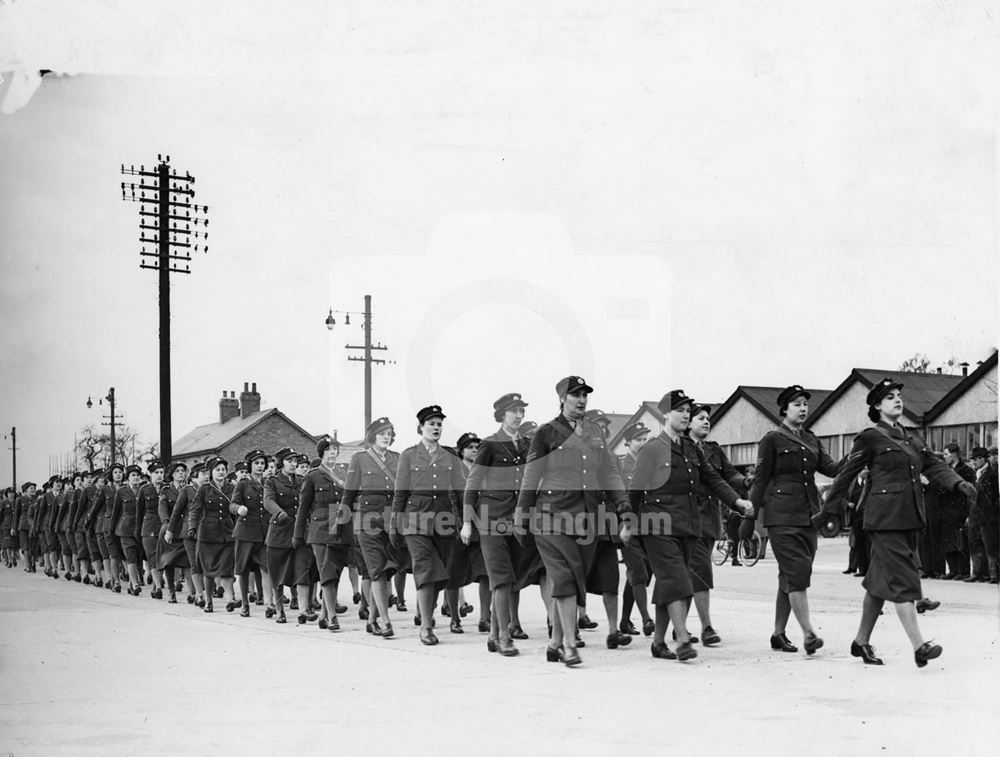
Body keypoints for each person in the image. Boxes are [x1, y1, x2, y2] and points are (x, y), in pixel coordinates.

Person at [822, 377, 977, 667]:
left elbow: (932, 464)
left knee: (879, 585)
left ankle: (860, 642)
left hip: (909, 518)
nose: (897, 400)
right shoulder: (869, 436)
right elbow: (845, 475)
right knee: (905, 579)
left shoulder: (910, 437)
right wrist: (829, 510)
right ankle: (919, 646)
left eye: (898, 395)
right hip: (883, 520)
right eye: (889, 396)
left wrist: (958, 484)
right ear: (877, 406)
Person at [515, 376, 634, 666]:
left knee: (573, 577)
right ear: (562, 398)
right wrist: (521, 515)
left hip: (586, 519)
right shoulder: (546, 433)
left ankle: (555, 642)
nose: (581, 399)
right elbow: (531, 476)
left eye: (584, 395)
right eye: (575, 395)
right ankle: (569, 644)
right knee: (565, 576)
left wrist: (623, 506)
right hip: (551, 516)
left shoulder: (594, 432)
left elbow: (608, 472)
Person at [629, 390, 752, 662]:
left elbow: (713, 480)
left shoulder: (692, 449)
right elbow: (635, 490)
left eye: (688, 410)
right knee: (677, 579)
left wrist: (737, 502)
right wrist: (627, 523)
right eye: (680, 410)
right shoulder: (651, 449)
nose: (686, 415)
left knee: (669, 584)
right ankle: (683, 637)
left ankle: (659, 642)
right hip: (657, 525)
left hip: (688, 526)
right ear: (665, 414)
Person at [750, 385, 840, 656]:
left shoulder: (812, 439)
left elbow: (832, 469)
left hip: (808, 515)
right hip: (781, 517)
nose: (803, 409)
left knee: (789, 576)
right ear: (784, 409)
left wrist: (858, 455)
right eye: (797, 404)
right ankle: (809, 633)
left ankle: (778, 633)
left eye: (805, 404)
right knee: (797, 573)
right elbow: (760, 481)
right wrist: (749, 516)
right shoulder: (772, 439)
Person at [462, 393, 531, 656]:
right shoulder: (489, 445)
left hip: (517, 522)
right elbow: (472, 485)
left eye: (521, 411)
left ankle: (493, 635)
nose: (519, 416)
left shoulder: (526, 444)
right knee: (501, 579)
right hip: (491, 521)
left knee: (511, 579)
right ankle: (503, 637)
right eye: (514, 411)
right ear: (502, 415)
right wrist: (467, 523)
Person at [391, 405, 464, 646]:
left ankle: (426, 614)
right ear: (421, 427)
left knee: (440, 574)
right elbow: (400, 494)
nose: (436, 428)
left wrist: (466, 522)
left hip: (444, 523)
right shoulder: (408, 455)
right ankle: (426, 627)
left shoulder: (450, 455)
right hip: (415, 522)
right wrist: (395, 526)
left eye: (439, 424)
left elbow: (460, 492)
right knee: (425, 570)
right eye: (431, 424)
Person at [687, 404, 745, 646]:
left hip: (710, 519)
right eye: (700, 418)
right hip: (688, 520)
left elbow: (729, 475)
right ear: (688, 422)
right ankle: (706, 627)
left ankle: (676, 625)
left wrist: (747, 480)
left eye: (708, 418)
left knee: (691, 574)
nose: (706, 422)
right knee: (700, 571)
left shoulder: (713, 450)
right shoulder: (681, 449)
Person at [342, 418, 400, 638]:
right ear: (373, 436)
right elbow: (349, 493)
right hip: (366, 522)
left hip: (391, 522)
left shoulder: (398, 458)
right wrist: (342, 523)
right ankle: (385, 621)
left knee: (386, 573)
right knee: (377, 571)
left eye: (389, 433)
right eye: (382, 433)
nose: (386, 437)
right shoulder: (360, 458)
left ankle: (372, 618)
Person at [296, 438, 351, 631]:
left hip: (342, 529)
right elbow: (303, 509)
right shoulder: (313, 476)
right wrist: (297, 534)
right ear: (321, 453)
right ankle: (332, 618)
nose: (333, 453)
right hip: (320, 530)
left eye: (335, 449)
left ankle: (323, 615)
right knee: (326, 571)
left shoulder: (344, 473)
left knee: (335, 572)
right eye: (328, 450)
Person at [445, 432, 490, 634]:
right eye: (470, 447)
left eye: (477, 447)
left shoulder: (485, 472)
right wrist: (459, 526)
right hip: (458, 530)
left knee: (486, 574)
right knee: (453, 574)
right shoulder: (455, 471)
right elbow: (453, 500)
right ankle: (455, 618)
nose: (475, 450)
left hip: (481, 530)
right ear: (461, 451)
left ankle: (485, 618)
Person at [617, 422, 655, 637]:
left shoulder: (651, 464)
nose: (642, 443)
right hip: (628, 526)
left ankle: (624, 620)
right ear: (628, 442)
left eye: (645, 439)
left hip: (649, 525)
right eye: (638, 439)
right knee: (637, 572)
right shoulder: (622, 466)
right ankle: (646, 619)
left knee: (641, 575)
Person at [188, 457, 238, 613]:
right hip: (208, 534)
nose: (221, 472)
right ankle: (208, 601)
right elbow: (195, 509)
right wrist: (192, 527)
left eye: (223, 469)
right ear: (211, 472)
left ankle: (230, 599)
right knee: (208, 570)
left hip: (228, 533)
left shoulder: (232, 488)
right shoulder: (204, 489)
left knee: (227, 568)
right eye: (218, 469)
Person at [263, 447, 304, 623]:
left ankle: (304, 609)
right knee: (277, 573)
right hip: (279, 532)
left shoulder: (302, 480)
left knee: (302, 569)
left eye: (295, 461)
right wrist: (279, 513)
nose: (294, 464)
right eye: (290, 461)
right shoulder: (271, 481)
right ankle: (280, 610)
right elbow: (268, 500)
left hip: (299, 531)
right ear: (281, 463)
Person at [231, 449, 272, 617]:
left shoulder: (269, 482)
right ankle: (245, 604)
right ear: (250, 466)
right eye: (257, 463)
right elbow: (232, 504)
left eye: (262, 463)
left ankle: (269, 603)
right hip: (246, 532)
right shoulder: (243, 484)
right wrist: (238, 508)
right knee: (243, 568)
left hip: (264, 532)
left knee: (266, 567)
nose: (260, 466)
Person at [937, 443, 975, 580]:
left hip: (960, 510)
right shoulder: (945, 470)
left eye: (946, 454)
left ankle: (963, 571)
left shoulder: (966, 471)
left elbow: (969, 493)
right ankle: (953, 569)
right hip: (947, 510)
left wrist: (968, 513)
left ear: (954, 455)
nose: (945, 457)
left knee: (960, 541)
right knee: (948, 540)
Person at [158, 462, 192, 603]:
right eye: (177, 471)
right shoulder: (165, 490)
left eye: (183, 471)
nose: (181, 473)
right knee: (168, 561)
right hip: (171, 529)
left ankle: (192, 592)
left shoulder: (190, 489)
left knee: (188, 562)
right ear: (172, 474)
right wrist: (166, 525)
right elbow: (163, 508)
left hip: (185, 529)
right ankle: (171, 591)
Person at [111, 465, 145, 595]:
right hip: (125, 529)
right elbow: (116, 512)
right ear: (128, 477)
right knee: (130, 556)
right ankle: (135, 584)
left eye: (138, 475)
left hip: (140, 528)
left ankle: (131, 585)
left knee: (137, 557)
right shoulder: (122, 491)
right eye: (133, 475)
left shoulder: (143, 490)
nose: (136, 478)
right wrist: (112, 529)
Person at [967, 446, 999, 583]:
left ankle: (994, 574)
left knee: (990, 545)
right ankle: (977, 573)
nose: (973, 462)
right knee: (975, 544)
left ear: (982, 459)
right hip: (975, 515)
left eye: (975, 459)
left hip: (988, 516)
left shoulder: (992, 474)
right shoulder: (976, 473)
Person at [135, 460, 166, 599]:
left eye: (161, 472)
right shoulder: (144, 490)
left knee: (162, 556)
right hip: (148, 527)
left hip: (163, 526)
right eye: (156, 473)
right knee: (152, 556)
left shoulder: (167, 488)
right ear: (150, 474)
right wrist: (137, 531)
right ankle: (158, 587)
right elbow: (139, 512)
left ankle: (156, 584)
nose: (159, 475)